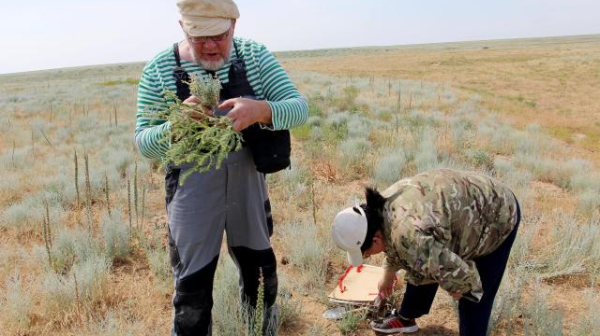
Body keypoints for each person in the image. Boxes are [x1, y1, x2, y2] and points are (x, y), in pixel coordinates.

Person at [134, 0, 308, 335]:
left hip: (248, 183)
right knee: (192, 287)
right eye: (200, 38)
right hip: (191, 187)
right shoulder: (159, 68)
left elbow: (298, 108)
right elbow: (144, 142)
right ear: (183, 28)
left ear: (233, 26)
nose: (211, 46)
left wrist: (260, 111)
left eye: (219, 36)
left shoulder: (254, 57)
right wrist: (175, 125)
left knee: (260, 273)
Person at [331, 169, 521, 336]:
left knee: (475, 297)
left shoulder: (410, 236)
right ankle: (407, 318)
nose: (368, 256)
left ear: (375, 239)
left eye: (368, 253)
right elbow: (399, 243)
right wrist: (388, 273)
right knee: (421, 263)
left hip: (498, 214)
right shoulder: (381, 207)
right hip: (467, 203)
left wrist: (460, 288)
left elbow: (460, 274)